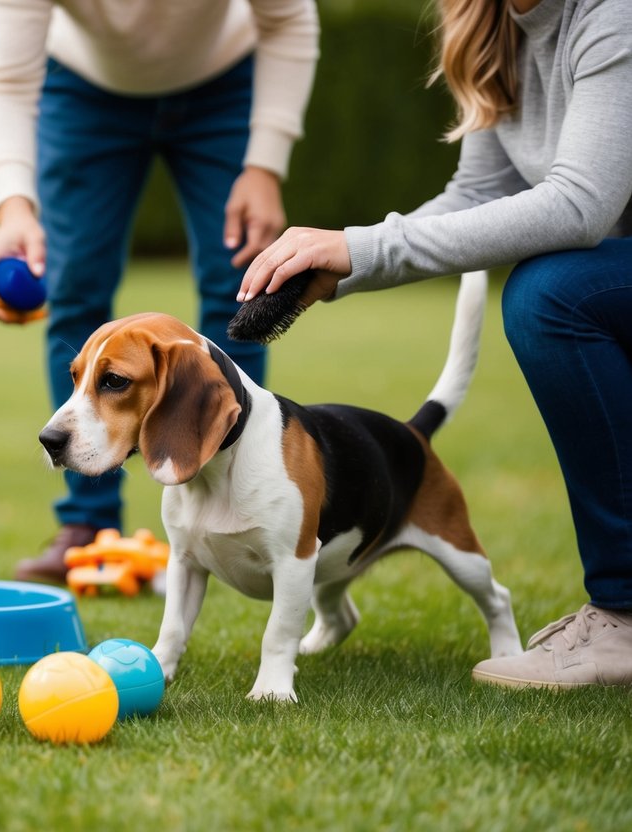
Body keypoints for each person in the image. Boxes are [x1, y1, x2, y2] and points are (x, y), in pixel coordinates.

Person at [238, 0, 632, 689]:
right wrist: (344, 266)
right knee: (553, 291)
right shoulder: (488, 25)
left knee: (551, 295)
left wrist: (361, 247)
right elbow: (479, 193)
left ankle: (624, 612)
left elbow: (580, 204)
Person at [0, 0, 319, 582]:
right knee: (74, 291)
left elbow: (288, 19)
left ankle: (246, 509)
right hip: (84, 87)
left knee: (242, 294)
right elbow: (4, 80)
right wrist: (12, 208)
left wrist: (265, 165)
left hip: (225, 80)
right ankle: (87, 526)